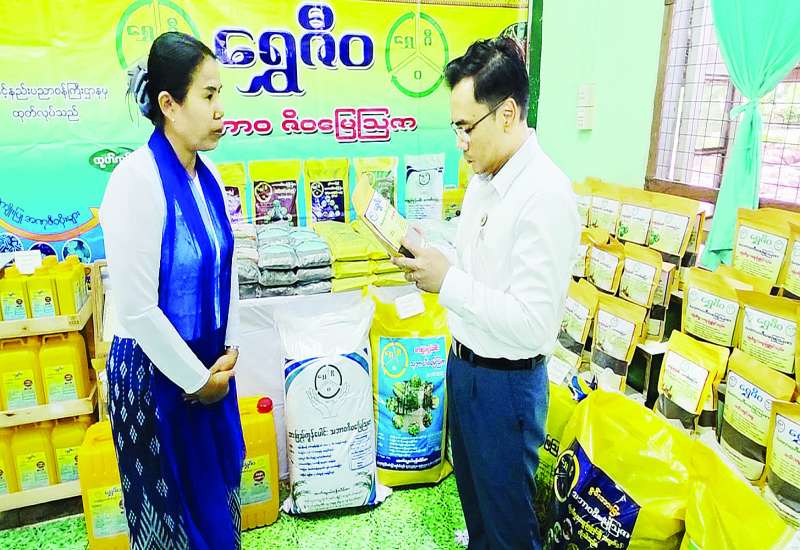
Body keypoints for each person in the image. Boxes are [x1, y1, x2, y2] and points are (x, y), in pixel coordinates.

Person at [393, 38, 580, 549]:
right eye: (454, 128)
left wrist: (447, 281)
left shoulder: (545, 195)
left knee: (508, 527)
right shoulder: (484, 178)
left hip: (507, 386)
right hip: (466, 367)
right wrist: (427, 253)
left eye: (466, 127)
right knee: (477, 511)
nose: (460, 142)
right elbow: (474, 262)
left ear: (508, 114)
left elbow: (532, 323)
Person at [100, 32, 244, 549]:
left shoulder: (209, 176)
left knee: (216, 509)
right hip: (154, 377)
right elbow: (138, 311)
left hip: (208, 368)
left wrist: (228, 351)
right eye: (208, 95)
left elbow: (224, 268)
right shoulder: (134, 182)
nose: (220, 109)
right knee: (172, 524)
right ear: (168, 105)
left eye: (220, 93)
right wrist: (197, 381)